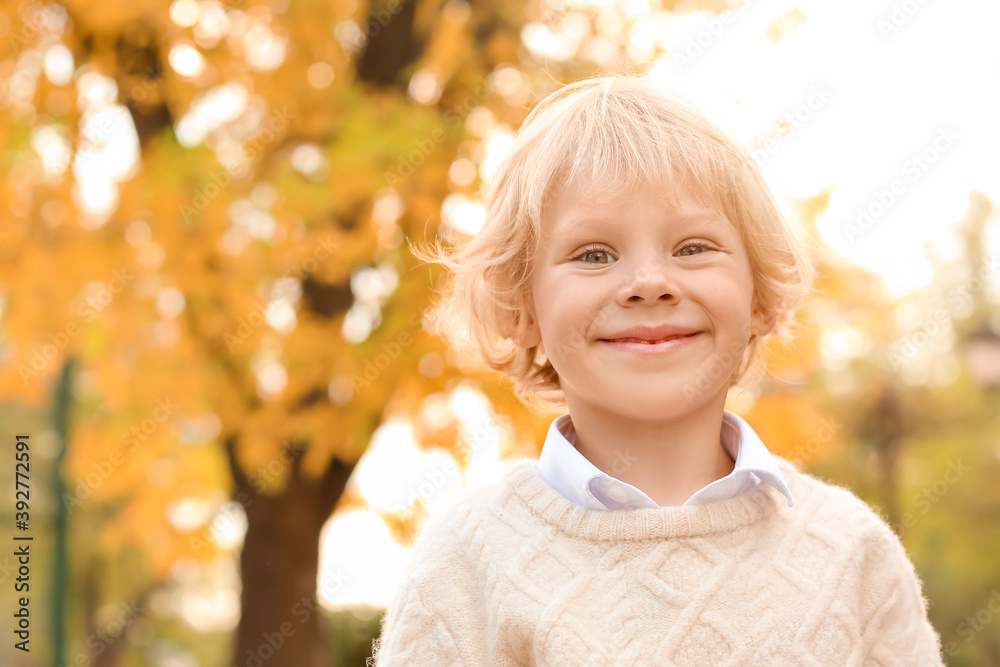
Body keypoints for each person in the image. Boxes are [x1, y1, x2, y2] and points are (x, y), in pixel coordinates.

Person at [369, 74, 945, 666]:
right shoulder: (466, 565)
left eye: (693, 247)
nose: (649, 283)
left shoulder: (851, 554)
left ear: (759, 298)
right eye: (593, 255)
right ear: (524, 311)